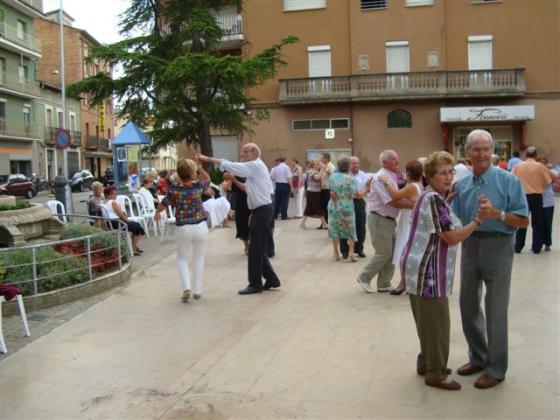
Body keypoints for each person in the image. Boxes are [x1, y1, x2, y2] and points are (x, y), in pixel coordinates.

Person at [452, 129, 528, 389]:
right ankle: (478, 356)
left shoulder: (509, 181)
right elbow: (453, 218)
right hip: (470, 244)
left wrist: (498, 214)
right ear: (467, 152)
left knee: (496, 308)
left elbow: (524, 220)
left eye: (486, 149)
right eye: (476, 149)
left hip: (499, 244)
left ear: (493, 152)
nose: (481, 154)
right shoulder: (462, 184)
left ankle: (496, 368)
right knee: (467, 304)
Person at [401, 151, 481, 391]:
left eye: (450, 172)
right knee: (438, 325)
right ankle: (436, 373)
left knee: (427, 323)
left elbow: (435, 220)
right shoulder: (434, 200)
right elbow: (451, 237)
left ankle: (426, 362)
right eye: (442, 173)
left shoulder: (428, 196)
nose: (448, 177)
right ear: (429, 176)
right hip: (429, 272)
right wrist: (477, 222)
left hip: (417, 268)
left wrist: (448, 199)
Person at [196, 143, 281, 295]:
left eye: (245, 152)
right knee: (257, 248)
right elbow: (247, 188)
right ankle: (272, 279)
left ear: (254, 153)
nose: (242, 155)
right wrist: (234, 181)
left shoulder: (255, 165)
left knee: (255, 250)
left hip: (262, 211)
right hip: (261, 211)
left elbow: (230, 165)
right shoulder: (256, 168)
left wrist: (207, 159)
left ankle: (255, 284)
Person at [154, 159, 210, 302]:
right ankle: (197, 291)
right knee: (199, 257)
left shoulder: (174, 189)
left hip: (183, 227)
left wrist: (157, 213)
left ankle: (186, 287)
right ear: (192, 173)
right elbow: (207, 179)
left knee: (182, 258)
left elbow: (164, 204)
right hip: (200, 226)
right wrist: (200, 167)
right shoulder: (198, 186)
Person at [356, 150, 411, 294]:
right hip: (380, 219)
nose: (398, 162)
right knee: (384, 252)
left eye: (397, 158)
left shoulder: (394, 175)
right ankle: (364, 277)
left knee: (393, 252)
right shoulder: (380, 178)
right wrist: (414, 204)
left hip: (390, 220)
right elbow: (391, 201)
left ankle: (384, 283)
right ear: (385, 162)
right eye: (394, 160)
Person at [378, 160, 424, 295]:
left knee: (405, 251)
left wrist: (386, 182)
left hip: (408, 221)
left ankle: (403, 283)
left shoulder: (412, 186)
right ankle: (406, 282)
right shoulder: (417, 184)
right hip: (409, 219)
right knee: (407, 251)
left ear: (408, 172)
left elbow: (395, 195)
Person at [512, 146, 552, 253]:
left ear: (525, 155)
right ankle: (536, 247)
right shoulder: (540, 166)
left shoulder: (518, 166)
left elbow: (512, 179)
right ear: (536, 155)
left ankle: (518, 246)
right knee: (537, 222)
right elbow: (548, 181)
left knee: (521, 220)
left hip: (522, 195)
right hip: (536, 196)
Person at [327, 156, 357, 262]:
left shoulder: (332, 177)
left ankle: (336, 253)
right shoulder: (351, 178)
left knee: (334, 228)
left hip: (334, 206)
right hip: (347, 206)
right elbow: (353, 193)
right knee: (351, 229)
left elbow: (330, 189)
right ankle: (351, 253)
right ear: (348, 166)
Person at [102, 185, 145, 256]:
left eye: (115, 193)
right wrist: (128, 220)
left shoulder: (103, 202)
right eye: (112, 193)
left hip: (110, 223)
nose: (115, 195)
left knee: (136, 226)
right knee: (139, 228)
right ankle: (132, 248)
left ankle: (134, 245)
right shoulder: (113, 202)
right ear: (107, 194)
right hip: (117, 223)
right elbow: (121, 215)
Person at [339, 156, 368, 259]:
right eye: (353, 163)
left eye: (357, 163)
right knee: (345, 226)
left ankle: (359, 249)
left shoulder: (363, 175)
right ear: (348, 164)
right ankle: (344, 250)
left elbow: (368, 187)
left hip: (359, 202)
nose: (355, 165)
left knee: (361, 226)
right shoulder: (344, 175)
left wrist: (362, 194)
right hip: (346, 202)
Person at [536, 156, 558, 252]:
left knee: (547, 223)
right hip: (537, 200)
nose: (542, 165)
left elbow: (555, 178)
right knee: (538, 223)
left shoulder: (551, 172)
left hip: (548, 201)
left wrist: (545, 170)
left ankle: (547, 243)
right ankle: (538, 243)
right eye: (540, 163)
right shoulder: (535, 172)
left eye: (544, 163)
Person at [226, 173, 250, 254]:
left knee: (252, 226)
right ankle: (246, 246)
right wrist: (231, 178)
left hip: (251, 203)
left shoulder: (249, 174)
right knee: (242, 226)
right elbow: (228, 188)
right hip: (240, 204)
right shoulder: (234, 176)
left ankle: (251, 245)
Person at [300, 160, 328, 229]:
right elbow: (317, 178)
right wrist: (322, 169)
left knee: (309, 208)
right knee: (319, 208)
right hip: (314, 192)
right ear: (314, 166)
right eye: (317, 165)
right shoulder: (312, 172)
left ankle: (302, 223)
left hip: (312, 192)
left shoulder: (312, 171)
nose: (319, 166)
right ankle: (325, 224)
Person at [319, 152, 335, 227]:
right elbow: (320, 176)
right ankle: (324, 223)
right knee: (323, 206)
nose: (321, 159)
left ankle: (328, 223)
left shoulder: (331, 166)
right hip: (322, 188)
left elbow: (332, 175)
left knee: (327, 206)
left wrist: (325, 168)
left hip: (328, 189)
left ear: (326, 159)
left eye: (322, 158)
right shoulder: (323, 166)